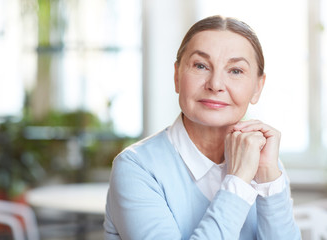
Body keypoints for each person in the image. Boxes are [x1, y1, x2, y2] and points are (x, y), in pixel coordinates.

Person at [104, 15, 301, 240]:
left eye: (235, 70)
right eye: (200, 65)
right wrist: (237, 181)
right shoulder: (136, 168)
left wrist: (267, 177)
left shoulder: (266, 162)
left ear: (258, 87)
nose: (215, 84)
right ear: (177, 76)